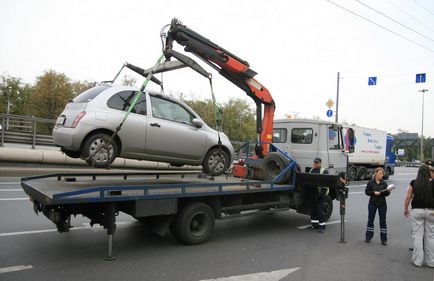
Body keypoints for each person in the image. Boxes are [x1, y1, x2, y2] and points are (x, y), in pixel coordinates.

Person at [404, 164, 434, 267]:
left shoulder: (414, 182)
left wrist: (405, 209)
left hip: (417, 210)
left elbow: (408, 197)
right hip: (431, 211)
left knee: (417, 236)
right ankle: (431, 261)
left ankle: (417, 260)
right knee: (430, 236)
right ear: (429, 172)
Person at [365, 167, 393, 245]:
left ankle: (384, 239)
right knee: (370, 220)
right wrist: (374, 193)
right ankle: (368, 237)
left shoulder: (384, 183)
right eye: (380, 173)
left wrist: (388, 191)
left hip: (382, 204)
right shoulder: (370, 183)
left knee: (383, 221)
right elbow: (367, 192)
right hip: (372, 204)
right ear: (376, 173)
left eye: (382, 173)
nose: (382, 175)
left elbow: (386, 194)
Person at [307, 157, 328, 233]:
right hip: (313, 193)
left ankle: (322, 226)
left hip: (320, 194)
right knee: (313, 210)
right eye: (315, 162)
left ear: (320, 163)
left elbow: (325, 183)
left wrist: (322, 194)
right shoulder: (311, 170)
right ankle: (314, 225)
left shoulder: (324, 171)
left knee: (320, 210)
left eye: (317, 162)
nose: (315, 163)